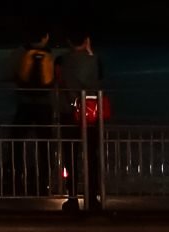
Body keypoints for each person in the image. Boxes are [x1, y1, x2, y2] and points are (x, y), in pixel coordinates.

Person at [57, 33, 105, 212]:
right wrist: (91, 54)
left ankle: (72, 197)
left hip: (68, 113)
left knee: (70, 157)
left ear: (69, 41)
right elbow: (98, 81)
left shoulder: (62, 60)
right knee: (92, 156)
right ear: (87, 40)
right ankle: (93, 198)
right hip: (90, 115)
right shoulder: (94, 61)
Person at [11, 33, 59, 194]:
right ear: (46, 37)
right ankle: (44, 180)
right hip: (44, 105)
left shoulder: (21, 54)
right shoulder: (50, 55)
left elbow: (11, 74)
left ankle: (16, 177)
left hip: (24, 103)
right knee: (45, 142)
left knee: (16, 140)